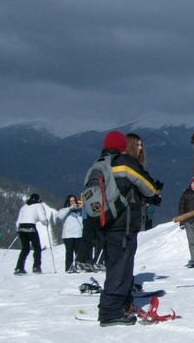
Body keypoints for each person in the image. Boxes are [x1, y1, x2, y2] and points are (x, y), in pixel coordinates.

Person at [94, 131, 161, 326]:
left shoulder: (100, 163)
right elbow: (147, 186)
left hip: (105, 223)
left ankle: (121, 304)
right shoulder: (124, 162)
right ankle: (110, 311)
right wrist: (155, 195)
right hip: (123, 224)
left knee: (114, 265)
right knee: (121, 267)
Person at [14, 193, 49, 275]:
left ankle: (19, 267)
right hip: (31, 227)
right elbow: (42, 218)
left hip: (21, 228)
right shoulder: (38, 205)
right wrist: (46, 223)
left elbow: (18, 221)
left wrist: (18, 230)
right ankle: (36, 267)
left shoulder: (24, 206)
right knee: (37, 248)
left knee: (25, 249)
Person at [56, 195, 84, 273]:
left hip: (78, 234)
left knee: (78, 253)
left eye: (74, 201)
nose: (73, 203)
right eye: (71, 201)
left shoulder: (79, 211)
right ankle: (68, 268)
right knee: (69, 253)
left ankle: (78, 267)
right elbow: (59, 216)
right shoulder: (65, 210)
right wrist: (69, 208)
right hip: (68, 235)